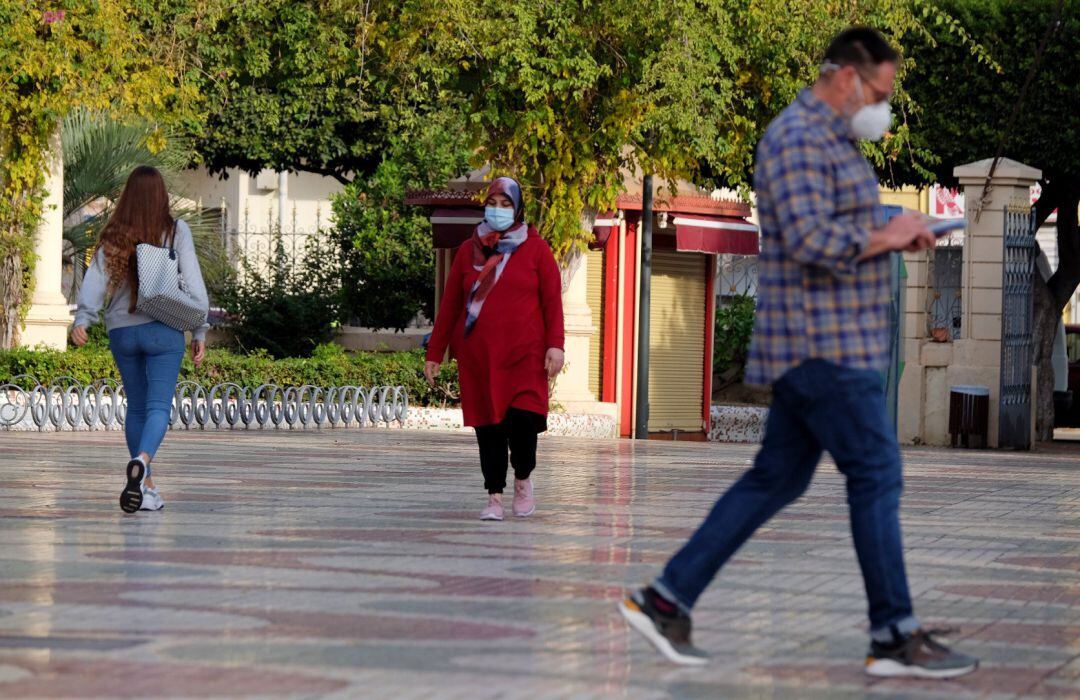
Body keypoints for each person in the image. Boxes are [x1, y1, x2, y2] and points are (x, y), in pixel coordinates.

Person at [619, 28, 979, 678]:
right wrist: (885, 232)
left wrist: (901, 232)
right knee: (876, 470)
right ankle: (893, 632)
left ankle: (665, 599)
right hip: (821, 343)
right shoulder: (795, 138)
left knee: (775, 478)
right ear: (845, 77)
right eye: (879, 92)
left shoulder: (834, 140)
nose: (882, 107)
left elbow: (842, 225)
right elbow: (811, 238)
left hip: (831, 339)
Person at [424, 177, 565, 521]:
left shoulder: (536, 249)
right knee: (488, 428)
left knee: (522, 422)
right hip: (479, 358)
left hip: (525, 358)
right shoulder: (468, 252)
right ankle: (494, 498)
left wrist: (556, 346)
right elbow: (451, 305)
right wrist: (434, 353)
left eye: (506, 204)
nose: (498, 210)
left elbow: (552, 303)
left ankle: (523, 478)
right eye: (493, 203)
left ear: (517, 209)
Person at [71, 166, 209, 514]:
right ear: (162, 195)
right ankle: (143, 463)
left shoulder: (114, 234)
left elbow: (94, 282)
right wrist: (200, 329)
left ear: (127, 197)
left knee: (136, 406)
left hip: (122, 332)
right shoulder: (176, 231)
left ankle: (146, 489)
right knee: (159, 408)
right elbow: (194, 287)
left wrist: (83, 319)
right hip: (163, 329)